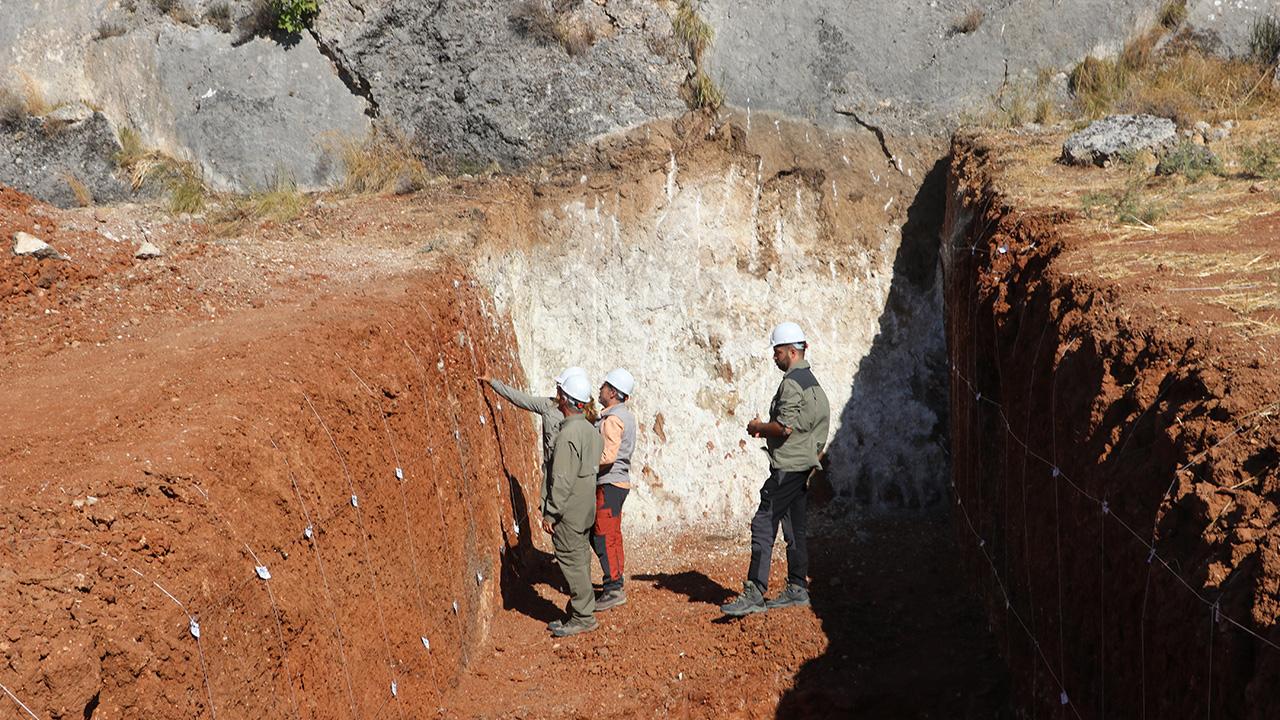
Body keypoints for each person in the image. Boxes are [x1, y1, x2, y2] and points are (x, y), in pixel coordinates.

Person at [721, 321, 831, 616]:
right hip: (803, 466)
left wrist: (758, 427)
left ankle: (754, 592)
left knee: (763, 522)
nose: (774, 357)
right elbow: (819, 429)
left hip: (787, 468)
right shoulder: (814, 384)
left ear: (792, 352)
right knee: (795, 528)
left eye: (777, 351)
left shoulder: (792, 384)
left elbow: (784, 427)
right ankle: (797, 587)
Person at [543, 373, 605, 637]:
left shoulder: (568, 434)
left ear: (565, 399)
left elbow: (562, 479)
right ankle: (584, 609)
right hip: (585, 507)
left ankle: (582, 616)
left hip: (568, 511)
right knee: (580, 559)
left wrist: (551, 513)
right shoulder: (591, 431)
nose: (556, 395)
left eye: (559, 392)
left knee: (571, 560)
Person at [479, 366, 585, 512]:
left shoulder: (584, 420)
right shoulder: (549, 405)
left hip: (568, 477)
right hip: (552, 474)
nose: (557, 389)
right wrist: (493, 382)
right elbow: (522, 399)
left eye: (559, 387)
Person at [592, 368, 636, 611]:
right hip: (619, 483)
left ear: (611, 392)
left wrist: (585, 463)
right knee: (612, 534)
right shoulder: (626, 416)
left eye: (603, 386)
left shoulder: (612, 420)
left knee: (604, 534)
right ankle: (615, 582)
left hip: (609, 483)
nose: (600, 389)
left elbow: (607, 455)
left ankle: (613, 588)